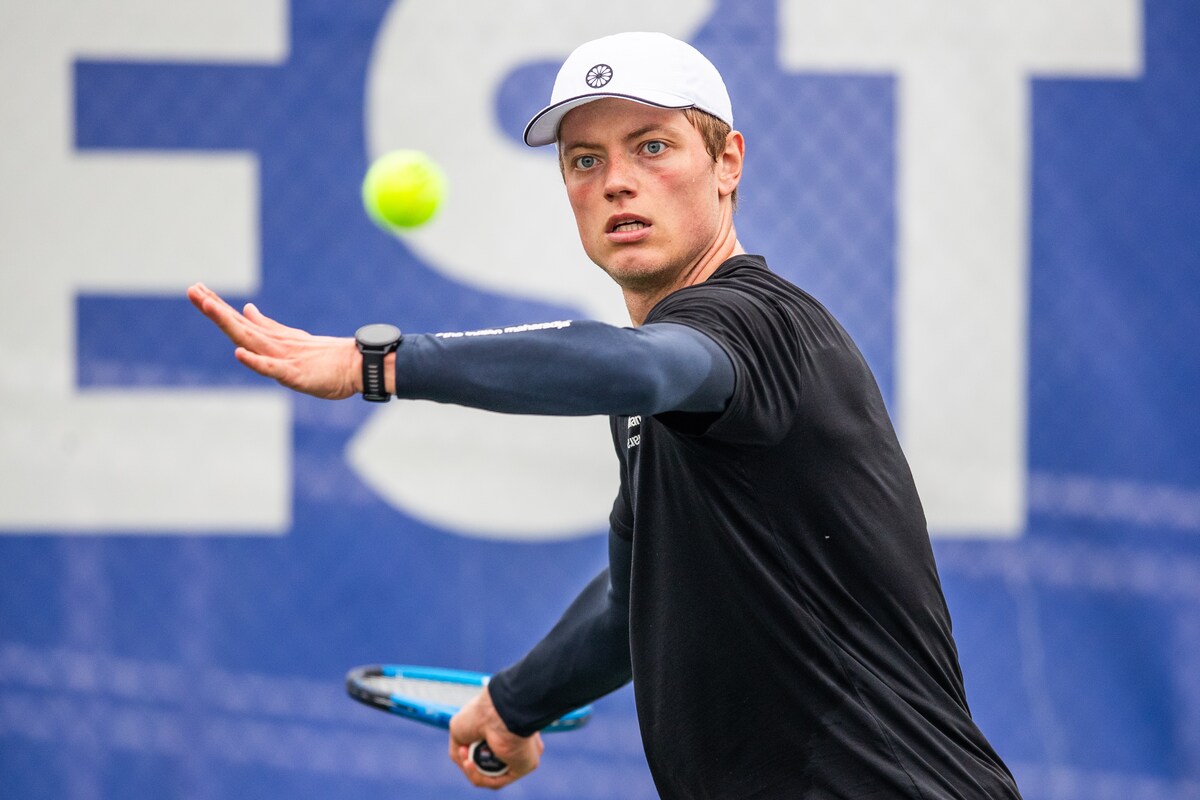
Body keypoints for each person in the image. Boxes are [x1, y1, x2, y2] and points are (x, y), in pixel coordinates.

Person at [189, 31, 1021, 799]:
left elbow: (643, 364)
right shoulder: (653, 398)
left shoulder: (756, 325)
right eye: (585, 160)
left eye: (652, 147)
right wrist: (516, 703)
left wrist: (383, 363)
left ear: (727, 162)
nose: (616, 180)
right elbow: (635, 596)